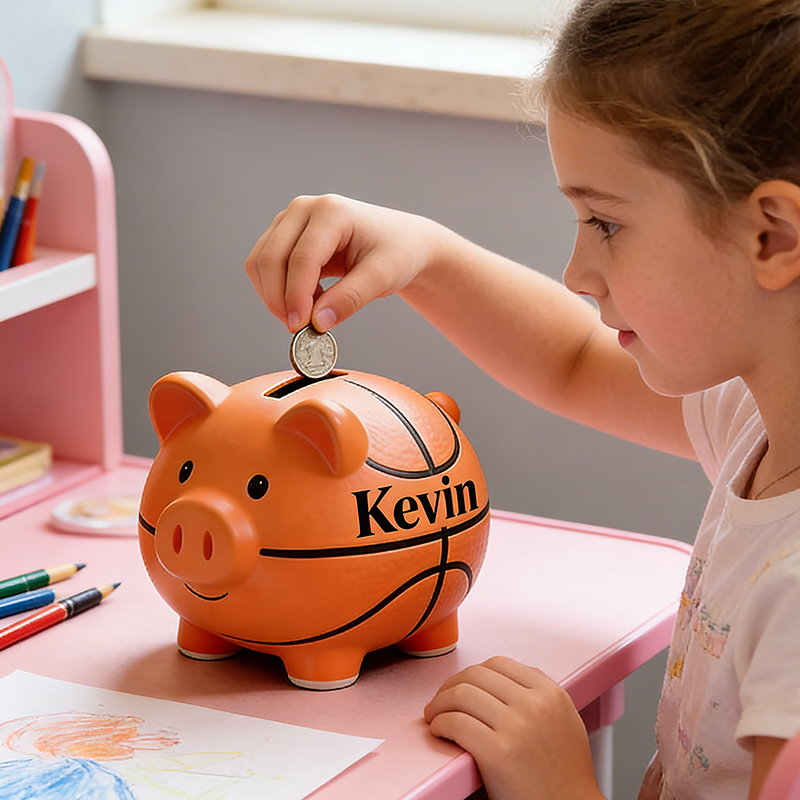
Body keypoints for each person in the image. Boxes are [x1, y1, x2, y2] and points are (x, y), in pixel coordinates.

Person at [245, 1, 800, 797]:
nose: (577, 270)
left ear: (772, 236)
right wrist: (425, 255)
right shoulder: (757, 418)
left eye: (605, 222)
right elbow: (572, 358)